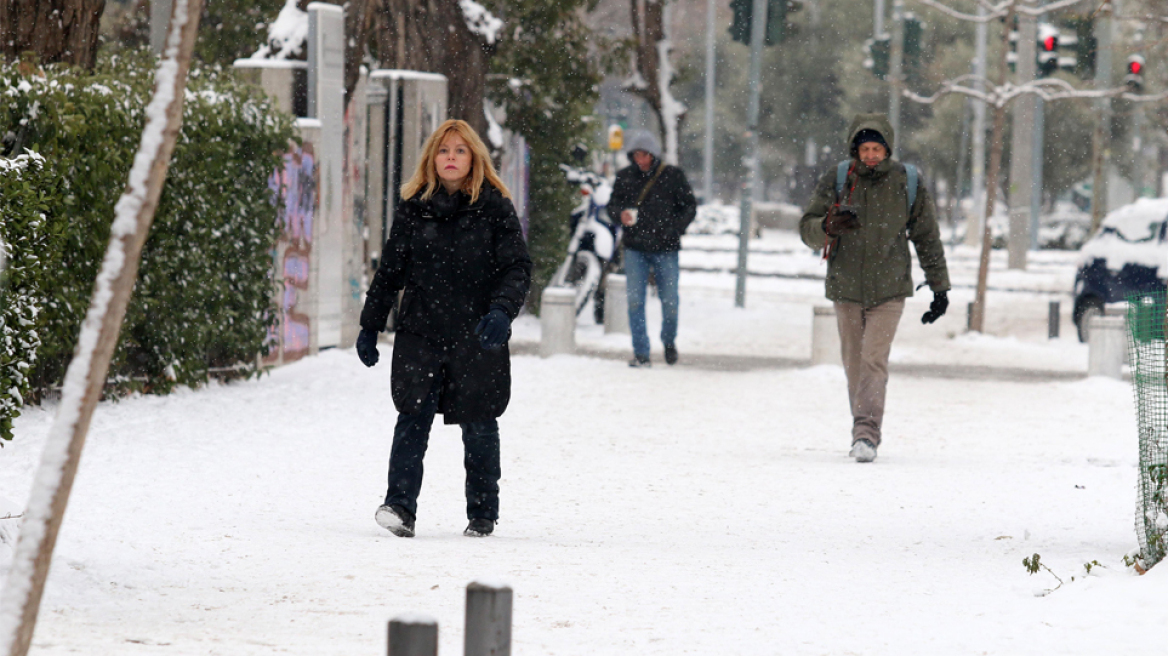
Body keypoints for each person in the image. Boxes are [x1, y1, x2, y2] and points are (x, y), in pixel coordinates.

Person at [355, 119, 532, 537]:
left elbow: (517, 267)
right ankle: (400, 507)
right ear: (432, 159)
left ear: (474, 158)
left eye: (460, 150)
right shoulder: (414, 209)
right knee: (411, 417)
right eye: (443, 150)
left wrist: (502, 312)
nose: (450, 158)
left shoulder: (495, 209)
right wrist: (370, 325)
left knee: (480, 423)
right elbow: (390, 272)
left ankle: (483, 513)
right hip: (422, 330)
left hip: (477, 332)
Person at [799, 113, 950, 463]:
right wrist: (828, 226)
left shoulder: (907, 181)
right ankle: (862, 425)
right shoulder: (837, 178)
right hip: (846, 287)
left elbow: (927, 236)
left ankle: (866, 433)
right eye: (864, 149)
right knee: (854, 363)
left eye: (876, 149)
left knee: (873, 359)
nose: (870, 155)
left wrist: (939, 287)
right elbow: (807, 228)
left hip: (889, 289)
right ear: (855, 149)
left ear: (887, 149)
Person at [607, 130, 697, 368]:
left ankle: (668, 340)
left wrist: (675, 229)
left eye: (645, 154)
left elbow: (689, 206)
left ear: (653, 154)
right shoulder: (625, 177)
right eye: (636, 155)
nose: (641, 160)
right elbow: (612, 205)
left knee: (670, 302)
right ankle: (641, 352)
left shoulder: (672, 176)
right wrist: (620, 214)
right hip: (635, 247)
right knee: (635, 301)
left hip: (666, 248)